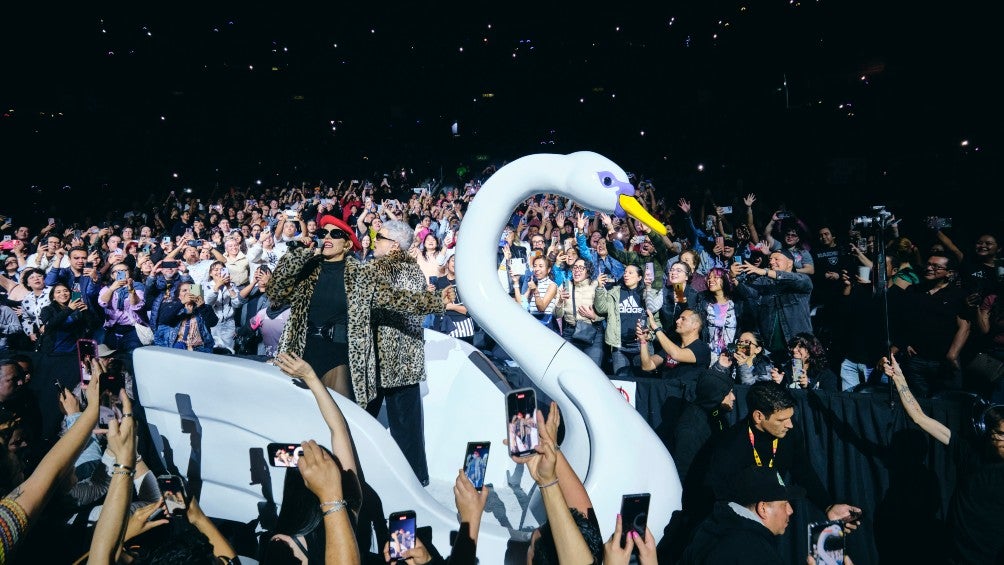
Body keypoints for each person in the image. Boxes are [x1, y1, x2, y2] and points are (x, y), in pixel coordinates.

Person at [883, 354, 1004, 564]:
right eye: (1001, 434)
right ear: (986, 432)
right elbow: (919, 417)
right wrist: (900, 378)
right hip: (956, 554)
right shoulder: (967, 451)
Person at [704, 382, 861, 533]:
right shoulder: (730, 446)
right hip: (739, 529)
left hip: (773, 524)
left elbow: (803, 471)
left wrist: (827, 506)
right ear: (758, 416)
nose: (790, 425)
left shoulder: (789, 434)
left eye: (790, 418)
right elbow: (718, 497)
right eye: (781, 420)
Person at [679, 466, 810, 564]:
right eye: (785, 504)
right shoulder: (757, 554)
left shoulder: (708, 528)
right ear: (763, 508)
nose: (790, 510)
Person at [888, 253, 970, 397]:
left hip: (943, 362)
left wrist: (952, 355)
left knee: (946, 404)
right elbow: (903, 322)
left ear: (949, 273)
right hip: (916, 361)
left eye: (936, 266)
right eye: (928, 264)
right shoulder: (914, 291)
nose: (929, 268)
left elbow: (964, 326)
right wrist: (905, 343)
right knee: (918, 404)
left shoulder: (957, 295)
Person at [734, 248, 814, 358]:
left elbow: (796, 280)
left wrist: (765, 271)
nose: (771, 262)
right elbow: (748, 293)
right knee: (770, 375)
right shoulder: (763, 281)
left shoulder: (802, 280)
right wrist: (733, 278)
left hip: (797, 348)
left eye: (776, 259)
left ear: (790, 263)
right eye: (770, 259)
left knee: (798, 375)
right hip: (770, 349)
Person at [593, 264, 663, 377]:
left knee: (644, 380)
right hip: (619, 345)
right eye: (625, 272)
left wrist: (650, 336)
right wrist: (600, 288)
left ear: (640, 277)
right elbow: (601, 309)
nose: (626, 275)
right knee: (622, 382)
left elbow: (656, 320)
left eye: (630, 273)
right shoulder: (614, 292)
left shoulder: (648, 293)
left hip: (642, 345)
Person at [673, 358, 736, 483]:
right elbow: (684, 474)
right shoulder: (691, 429)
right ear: (716, 395)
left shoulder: (716, 415)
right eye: (728, 393)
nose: (733, 397)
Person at [554, 258, 605, 367]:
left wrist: (594, 316)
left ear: (588, 271)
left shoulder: (596, 285)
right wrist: (560, 301)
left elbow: (606, 311)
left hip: (593, 332)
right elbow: (558, 315)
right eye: (575, 267)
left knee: (593, 369)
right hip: (570, 332)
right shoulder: (565, 285)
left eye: (581, 268)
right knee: (570, 368)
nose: (577, 270)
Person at [97, 263, 146, 352]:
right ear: (112, 275)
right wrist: (112, 288)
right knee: (112, 356)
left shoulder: (138, 286)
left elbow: (136, 306)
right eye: (116, 271)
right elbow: (102, 303)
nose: (120, 273)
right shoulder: (106, 288)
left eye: (124, 270)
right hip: (112, 329)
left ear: (129, 273)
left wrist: (130, 289)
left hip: (132, 329)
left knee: (131, 354)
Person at [770, 332, 839, 391]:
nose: (794, 350)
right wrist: (780, 383)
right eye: (793, 346)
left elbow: (829, 400)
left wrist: (808, 385)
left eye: (800, 347)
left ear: (811, 350)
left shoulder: (825, 375)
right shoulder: (785, 371)